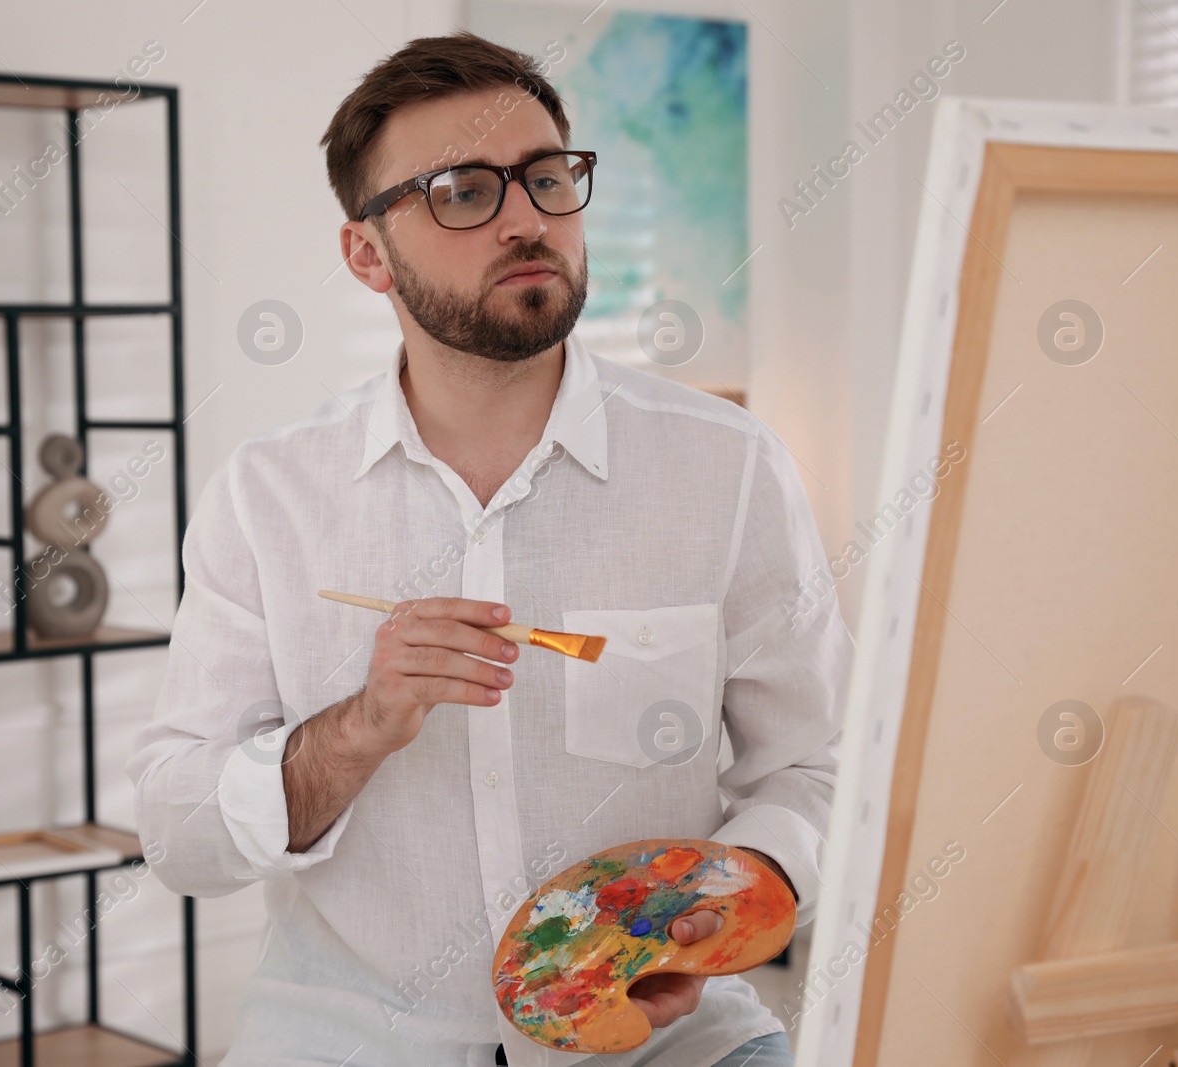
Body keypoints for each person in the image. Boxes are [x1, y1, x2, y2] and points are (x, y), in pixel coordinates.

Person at [127, 30, 851, 1067]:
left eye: (547, 178)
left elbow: (816, 764)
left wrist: (736, 896)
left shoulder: (727, 467)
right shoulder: (267, 494)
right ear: (366, 254)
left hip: (669, 1038)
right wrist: (357, 729)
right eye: (464, 191)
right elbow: (177, 831)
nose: (524, 218)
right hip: (349, 1034)